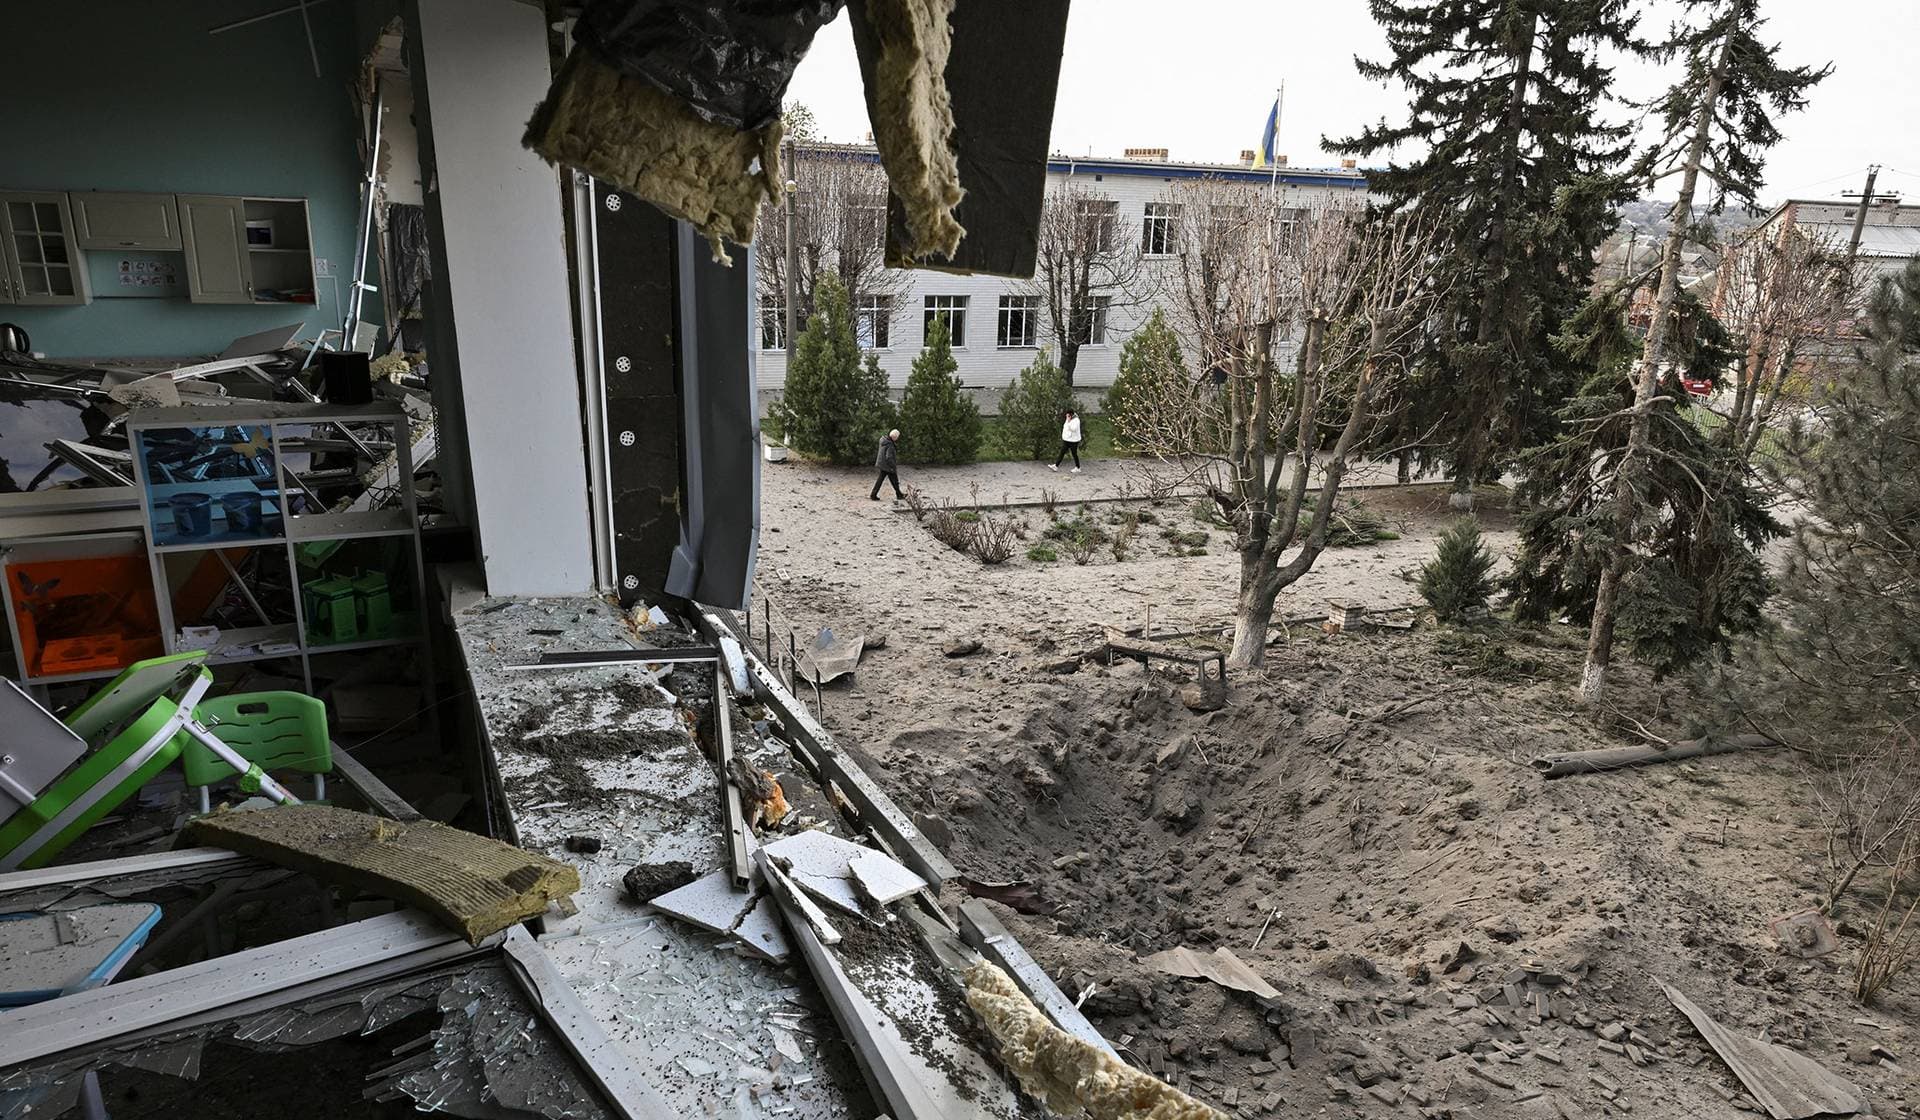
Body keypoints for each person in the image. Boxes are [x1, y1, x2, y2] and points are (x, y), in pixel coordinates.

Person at [870, 428, 903, 500]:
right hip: (887, 465)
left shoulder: (884, 440)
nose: (897, 438)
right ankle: (899, 494)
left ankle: (873, 494)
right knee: (894, 480)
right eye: (897, 437)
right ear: (895, 437)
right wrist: (893, 466)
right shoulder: (890, 445)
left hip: (882, 464)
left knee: (884, 480)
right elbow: (889, 457)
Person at [1051, 408, 1083, 473]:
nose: (1066, 416)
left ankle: (1078, 467)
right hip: (1067, 439)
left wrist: (1068, 421)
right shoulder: (1069, 418)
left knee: (1074, 454)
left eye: (1068, 415)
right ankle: (1056, 466)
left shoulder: (1076, 420)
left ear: (1071, 415)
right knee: (1062, 452)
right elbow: (1065, 427)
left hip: (1074, 441)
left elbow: (1073, 429)